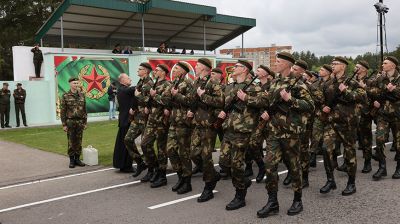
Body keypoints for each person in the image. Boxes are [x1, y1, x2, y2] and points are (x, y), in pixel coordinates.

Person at [257, 52, 314, 218]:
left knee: (294, 166)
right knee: (270, 165)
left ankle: (297, 200)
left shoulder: (298, 83)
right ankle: (272, 201)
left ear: (288, 65)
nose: (275, 63)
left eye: (278, 61)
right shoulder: (275, 81)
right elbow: (270, 101)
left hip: (290, 132)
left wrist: (291, 100)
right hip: (274, 131)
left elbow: (310, 106)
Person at [319, 56, 365, 196]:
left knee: (350, 153)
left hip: (347, 123)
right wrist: (323, 107)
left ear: (343, 66)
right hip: (331, 122)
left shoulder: (352, 82)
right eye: (332, 64)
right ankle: (330, 180)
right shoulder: (328, 83)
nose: (332, 66)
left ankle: (351, 183)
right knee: (325, 149)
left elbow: (362, 97)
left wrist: (346, 91)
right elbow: (321, 99)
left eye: (335, 64)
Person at [218, 60, 260, 211]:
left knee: (236, 164)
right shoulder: (230, 86)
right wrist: (224, 112)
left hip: (242, 131)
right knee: (223, 162)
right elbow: (225, 103)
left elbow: (265, 101)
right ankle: (243, 179)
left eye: (236, 66)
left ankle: (240, 196)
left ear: (244, 70)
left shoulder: (254, 86)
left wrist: (246, 98)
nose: (233, 68)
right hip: (229, 129)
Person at [187, 58, 224, 202]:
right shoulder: (197, 82)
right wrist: (192, 109)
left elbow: (220, 102)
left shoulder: (213, 83)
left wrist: (204, 95)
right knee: (193, 153)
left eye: (197, 65)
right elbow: (192, 100)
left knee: (206, 156)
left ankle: (209, 186)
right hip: (197, 122)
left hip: (209, 124)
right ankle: (212, 174)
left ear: (204, 67)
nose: (195, 67)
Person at [164, 61, 194, 194]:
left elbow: (190, 101)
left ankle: (187, 182)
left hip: (183, 122)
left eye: (176, 69)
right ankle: (180, 176)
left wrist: (177, 95)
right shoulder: (173, 83)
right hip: (173, 121)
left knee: (184, 153)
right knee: (170, 150)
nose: (174, 70)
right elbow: (165, 100)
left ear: (183, 71)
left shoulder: (188, 84)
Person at [140, 64, 171, 188]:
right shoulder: (155, 84)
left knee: (161, 149)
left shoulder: (168, 85)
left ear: (163, 72)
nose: (155, 71)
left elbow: (167, 101)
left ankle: (162, 175)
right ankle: (153, 168)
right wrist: (148, 105)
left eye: (157, 70)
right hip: (152, 120)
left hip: (161, 122)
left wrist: (154, 95)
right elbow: (149, 99)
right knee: (144, 144)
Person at [370, 56, 400, 180]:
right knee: (379, 139)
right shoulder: (381, 78)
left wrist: (395, 90)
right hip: (383, 115)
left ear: (393, 65)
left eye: (385, 63)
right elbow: (370, 89)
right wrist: (376, 99)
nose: (383, 65)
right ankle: (382, 168)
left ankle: (399, 168)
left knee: (399, 144)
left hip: (398, 116)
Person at [124, 63, 153, 178]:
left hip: (146, 119)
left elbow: (151, 100)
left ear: (145, 71)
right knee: (128, 139)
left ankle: (151, 169)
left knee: (146, 145)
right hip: (137, 117)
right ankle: (140, 162)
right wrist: (133, 108)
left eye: (140, 69)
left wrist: (138, 96)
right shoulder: (140, 82)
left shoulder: (150, 83)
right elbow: (136, 98)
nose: (138, 70)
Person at [60, 78, 87, 168]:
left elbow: (84, 110)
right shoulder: (65, 96)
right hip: (70, 121)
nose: (76, 84)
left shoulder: (82, 95)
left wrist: (85, 122)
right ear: (70, 84)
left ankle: (77, 159)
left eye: (77, 83)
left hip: (80, 121)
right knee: (71, 141)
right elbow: (63, 111)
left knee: (79, 141)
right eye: (74, 83)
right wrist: (64, 124)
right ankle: (72, 160)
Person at [113, 73, 137, 172]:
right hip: (126, 121)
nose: (130, 79)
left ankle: (123, 164)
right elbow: (136, 88)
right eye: (128, 78)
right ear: (122, 81)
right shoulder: (124, 90)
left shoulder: (122, 90)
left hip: (124, 120)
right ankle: (126, 166)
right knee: (126, 144)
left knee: (123, 144)